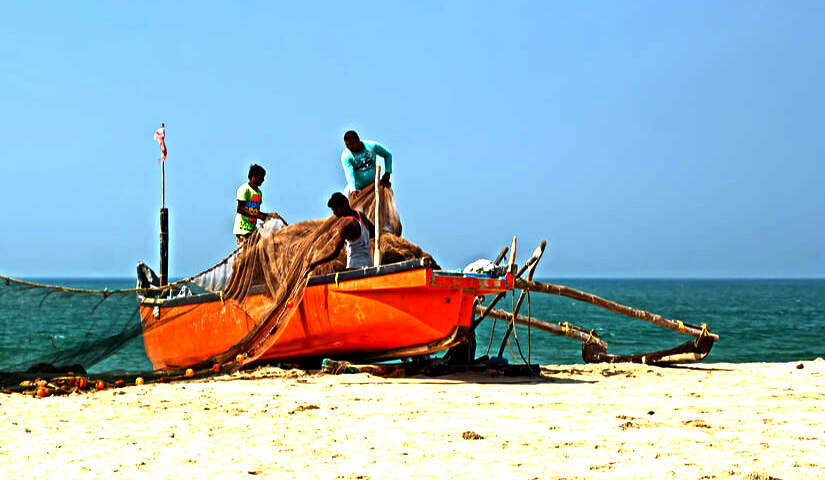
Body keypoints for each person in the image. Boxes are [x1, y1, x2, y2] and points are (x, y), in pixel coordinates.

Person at [305, 192, 376, 274]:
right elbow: (373, 233)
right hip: (368, 265)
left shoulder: (346, 224)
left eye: (335, 210)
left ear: (343, 207)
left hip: (354, 268)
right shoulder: (361, 215)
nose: (334, 213)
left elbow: (335, 252)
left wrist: (315, 263)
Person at [233, 164, 286, 246]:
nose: (263, 180)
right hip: (242, 231)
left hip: (253, 231)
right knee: (246, 256)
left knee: (265, 248)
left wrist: (268, 215)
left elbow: (255, 211)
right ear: (254, 176)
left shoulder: (258, 193)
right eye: (262, 177)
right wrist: (258, 216)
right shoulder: (244, 189)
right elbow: (240, 209)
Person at [341, 130, 393, 199]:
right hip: (357, 186)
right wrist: (353, 189)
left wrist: (387, 173)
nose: (349, 147)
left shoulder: (372, 146)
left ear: (358, 140)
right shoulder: (346, 156)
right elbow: (349, 173)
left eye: (351, 144)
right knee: (346, 195)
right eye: (347, 145)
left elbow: (387, 154)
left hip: (373, 185)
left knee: (389, 192)